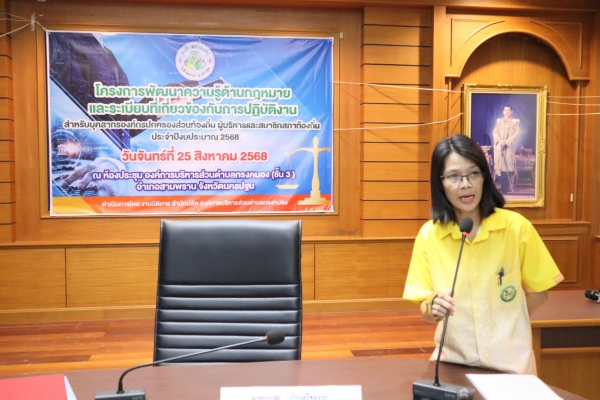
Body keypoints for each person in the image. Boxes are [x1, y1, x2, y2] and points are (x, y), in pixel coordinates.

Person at [402, 134, 563, 375]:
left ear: (485, 177)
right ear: (440, 182)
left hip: (511, 363)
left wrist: (504, 323)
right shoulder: (429, 235)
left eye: (473, 173)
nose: (465, 184)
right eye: (454, 176)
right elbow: (425, 305)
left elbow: (539, 292)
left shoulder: (516, 227)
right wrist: (432, 306)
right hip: (453, 360)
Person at [492, 105, 520, 194]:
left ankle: (505, 188)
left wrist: (506, 142)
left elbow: (516, 134)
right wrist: (499, 141)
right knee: (500, 168)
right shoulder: (499, 122)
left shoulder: (515, 122)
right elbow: (495, 132)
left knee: (506, 168)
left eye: (508, 110)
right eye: (505, 110)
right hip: (500, 147)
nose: (506, 112)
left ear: (511, 112)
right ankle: (502, 187)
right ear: (503, 112)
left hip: (508, 148)